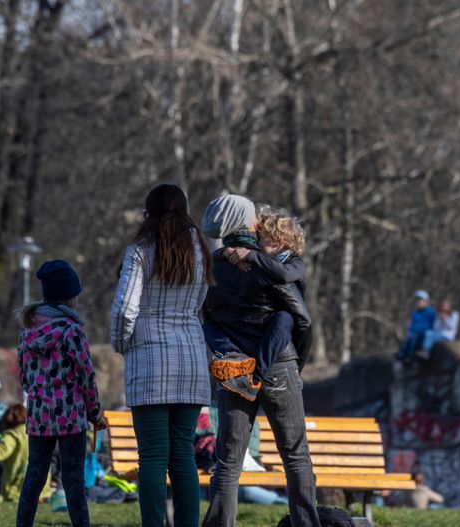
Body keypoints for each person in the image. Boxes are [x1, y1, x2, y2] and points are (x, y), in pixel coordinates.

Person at [199, 194, 321, 527]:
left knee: (228, 462)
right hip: (278, 365)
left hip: (234, 368)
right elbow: (302, 319)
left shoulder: (210, 266)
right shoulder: (265, 264)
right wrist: (297, 366)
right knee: (295, 457)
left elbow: (206, 316)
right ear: (246, 222)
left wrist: (227, 352)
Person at [110, 184, 214, 527]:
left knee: (153, 457)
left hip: (150, 360)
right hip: (191, 357)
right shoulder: (200, 249)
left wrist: (121, 343)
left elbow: (125, 309)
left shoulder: (140, 250)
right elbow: (201, 304)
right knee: (183, 455)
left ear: (148, 214)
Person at [15, 259, 106, 527]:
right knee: (73, 479)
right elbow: (86, 375)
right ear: (69, 296)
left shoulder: (28, 330)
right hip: (71, 415)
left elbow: (23, 376)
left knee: (35, 475)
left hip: (39, 414)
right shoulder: (72, 330)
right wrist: (94, 411)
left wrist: (39, 394)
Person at [205, 206, 307, 401]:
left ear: (278, 242)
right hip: (260, 328)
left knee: (284, 318)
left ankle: (255, 377)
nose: (255, 243)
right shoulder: (263, 261)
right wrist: (227, 252)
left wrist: (251, 255)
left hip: (283, 330)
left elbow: (284, 275)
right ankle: (234, 356)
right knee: (208, 326)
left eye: (261, 239)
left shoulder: (294, 262)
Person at [0, 404, 30, 503]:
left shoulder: (13, 434)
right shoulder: (33, 432)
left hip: (17, 486)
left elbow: (2, 450)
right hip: (40, 485)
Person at [396, 291, 436, 361]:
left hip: (423, 336)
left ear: (426, 301)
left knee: (414, 339)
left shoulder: (431, 312)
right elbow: (411, 326)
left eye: (420, 300)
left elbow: (431, 326)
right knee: (405, 342)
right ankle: (400, 358)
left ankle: (411, 358)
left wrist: (417, 332)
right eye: (417, 300)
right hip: (414, 334)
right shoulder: (415, 313)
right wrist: (408, 334)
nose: (418, 302)